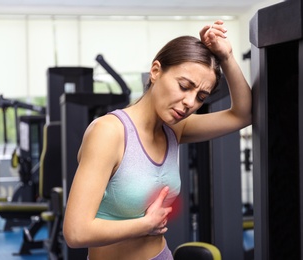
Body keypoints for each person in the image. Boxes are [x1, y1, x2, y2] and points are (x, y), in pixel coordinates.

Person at [63, 20, 252, 260]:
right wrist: (145, 225)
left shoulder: (174, 129)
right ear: (155, 71)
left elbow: (243, 114)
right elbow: (76, 232)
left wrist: (226, 57)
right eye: (184, 86)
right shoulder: (109, 132)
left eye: (200, 96)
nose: (190, 102)